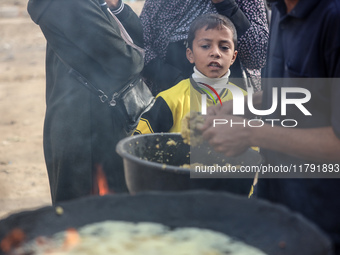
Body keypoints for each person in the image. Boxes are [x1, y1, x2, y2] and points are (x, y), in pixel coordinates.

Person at [198, 0, 340, 253]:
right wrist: (242, 106)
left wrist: (250, 132)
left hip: (323, 220)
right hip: (276, 201)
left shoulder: (333, 17)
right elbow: (297, 91)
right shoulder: (280, 8)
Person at [27, 0, 144, 204]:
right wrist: (142, 58)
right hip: (85, 131)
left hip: (92, 122)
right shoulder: (69, 4)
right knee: (84, 220)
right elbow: (125, 63)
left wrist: (116, 7)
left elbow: (139, 38)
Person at [134, 13, 246, 135]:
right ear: (190, 55)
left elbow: (255, 151)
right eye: (205, 46)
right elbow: (139, 144)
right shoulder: (170, 100)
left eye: (224, 47)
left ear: (233, 57)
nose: (215, 53)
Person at [140, 0, 269, 95]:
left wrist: (224, 4)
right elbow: (140, 47)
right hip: (173, 95)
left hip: (231, 96)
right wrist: (173, 79)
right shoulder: (159, 3)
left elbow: (258, 56)